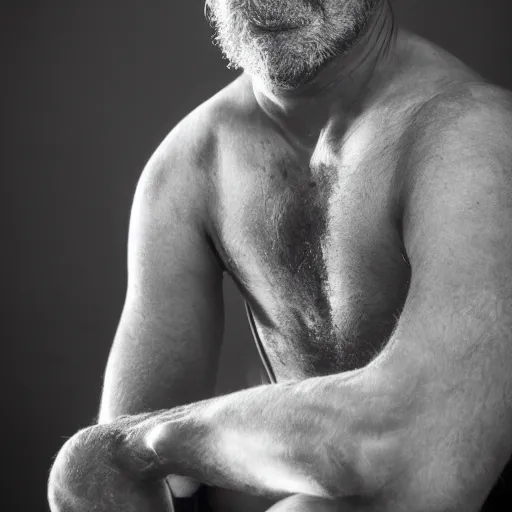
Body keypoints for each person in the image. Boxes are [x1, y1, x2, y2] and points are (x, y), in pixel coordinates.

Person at [48, 0, 512, 511]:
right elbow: (113, 491)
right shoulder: (189, 168)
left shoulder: (475, 137)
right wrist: (126, 457)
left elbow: (426, 466)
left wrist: (144, 443)